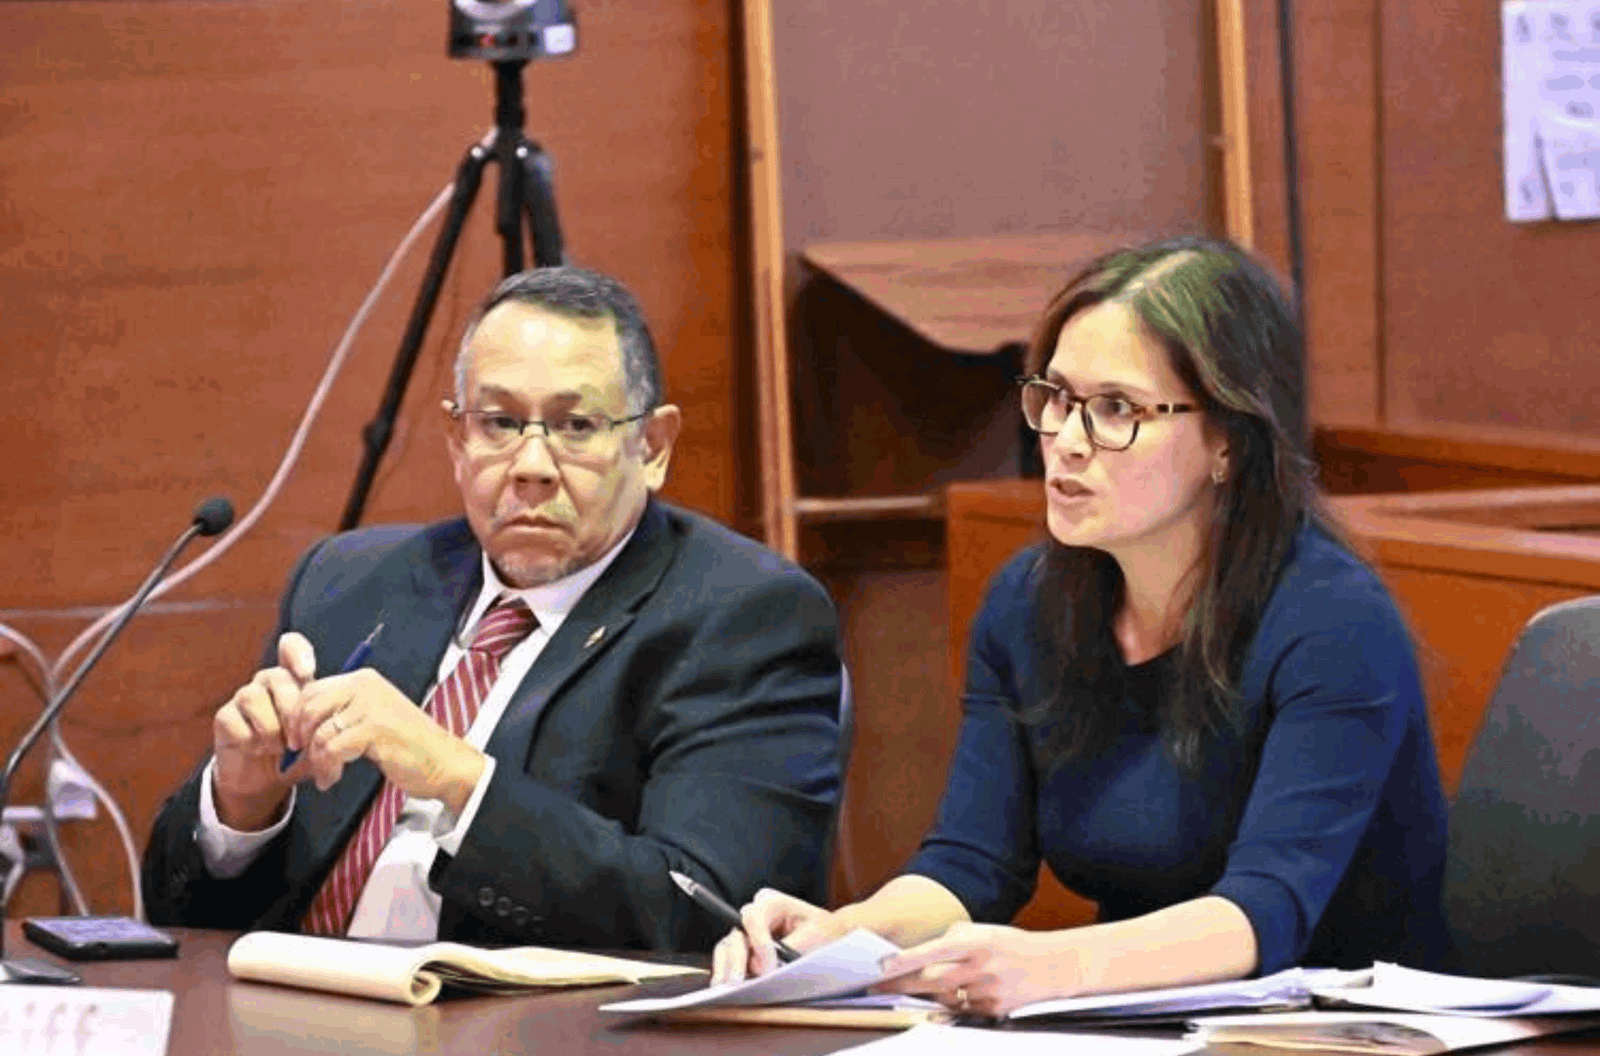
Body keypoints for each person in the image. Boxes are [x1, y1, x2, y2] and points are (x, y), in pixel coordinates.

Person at [713, 236, 1451, 1012]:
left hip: (1347, 1027)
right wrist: (845, 936)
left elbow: (1263, 916)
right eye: (1056, 398)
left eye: (1116, 410)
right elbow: (972, 866)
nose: (1064, 441)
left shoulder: (1334, 624)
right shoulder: (1028, 603)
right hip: (1144, 1027)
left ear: (1228, 441)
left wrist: (1049, 964)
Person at [143, 266, 843, 950]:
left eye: (575, 426)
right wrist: (241, 805)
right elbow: (178, 918)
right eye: (501, 422)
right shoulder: (349, 583)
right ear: (458, 439)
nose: (531, 464)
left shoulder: (744, 617)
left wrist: (453, 775)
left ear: (652, 446)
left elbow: (712, 917)